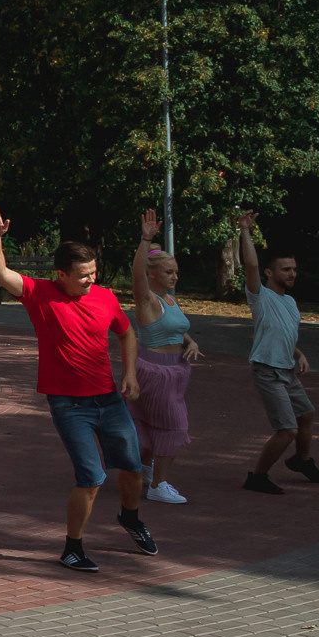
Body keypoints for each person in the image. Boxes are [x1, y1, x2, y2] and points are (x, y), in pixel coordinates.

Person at [0, 206, 151, 569]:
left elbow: (127, 333)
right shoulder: (40, 294)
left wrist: (131, 373)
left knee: (133, 468)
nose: (91, 280)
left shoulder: (105, 297)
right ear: (62, 275)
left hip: (108, 398)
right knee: (91, 477)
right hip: (69, 406)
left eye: (93, 273)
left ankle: (131, 518)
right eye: (83, 276)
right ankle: (73, 548)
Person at [235, 210, 319, 495]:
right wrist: (245, 230)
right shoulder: (260, 296)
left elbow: (282, 332)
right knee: (287, 430)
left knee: (307, 415)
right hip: (267, 370)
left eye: (294, 269)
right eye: (286, 269)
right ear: (269, 272)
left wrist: (298, 353)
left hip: (287, 369)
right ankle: (257, 477)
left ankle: (301, 460)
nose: (292, 274)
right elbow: (250, 264)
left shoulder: (290, 302)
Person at [128, 208, 201, 506]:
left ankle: (146, 472)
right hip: (156, 372)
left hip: (174, 371)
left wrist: (190, 340)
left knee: (150, 424)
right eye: (169, 272)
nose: (175, 277)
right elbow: (136, 275)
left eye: (176, 272)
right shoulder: (148, 299)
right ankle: (159, 484)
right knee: (175, 427)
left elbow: (175, 327)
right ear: (152, 274)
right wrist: (146, 241)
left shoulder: (170, 299)